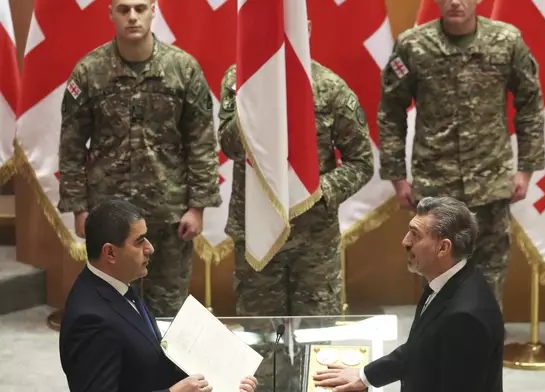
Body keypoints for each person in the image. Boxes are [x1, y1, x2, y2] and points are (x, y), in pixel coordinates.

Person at [57, 0, 222, 317]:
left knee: (169, 313)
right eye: (123, 9)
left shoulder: (183, 69)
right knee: (111, 307)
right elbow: (72, 145)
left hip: (169, 214)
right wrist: (79, 208)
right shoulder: (89, 71)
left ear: (153, 10)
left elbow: (201, 140)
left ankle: (170, 369)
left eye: (140, 8)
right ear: (111, 13)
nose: (132, 16)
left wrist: (197, 207)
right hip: (109, 217)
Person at [377, 0, 545, 310]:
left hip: (490, 184)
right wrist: (397, 177)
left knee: (488, 286)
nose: (456, 2)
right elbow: (391, 111)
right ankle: (438, 355)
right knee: (434, 285)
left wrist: (526, 169)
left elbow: (530, 103)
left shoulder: (506, 41)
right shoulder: (413, 45)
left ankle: (483, 355)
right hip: (434, 189)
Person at [217, 32, 374, 318]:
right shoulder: (239, 80)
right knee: (263, 345)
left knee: (316, 343)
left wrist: (318, 189)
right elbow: (229, 146)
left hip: (313, 242)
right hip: (257, 232)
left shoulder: (330, 88)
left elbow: (362, 162)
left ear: (307, 28)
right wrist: (258, 98)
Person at [59, 199, 257, 392]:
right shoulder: (89, 321)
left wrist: (222, 372)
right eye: (139, 242)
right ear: (110, 253)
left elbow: (145, 357)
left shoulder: (117, 283)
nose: (150, 248)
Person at [313, 196, 504, 392]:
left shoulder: (465, 318)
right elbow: (421, 347)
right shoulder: (450, 279)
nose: (405, 241)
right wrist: (365, 375)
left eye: (415, 235)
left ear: (443, 247)